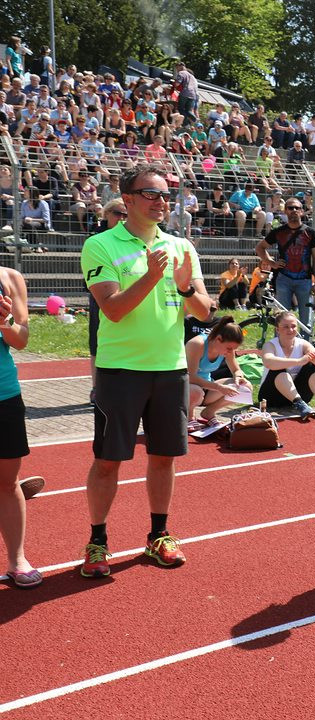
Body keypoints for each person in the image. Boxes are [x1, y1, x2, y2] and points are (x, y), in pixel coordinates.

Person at [79, 163, 212, 578]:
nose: (161, 201)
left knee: (163, 457)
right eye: (152, 194)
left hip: (170, 370)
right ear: (130, 199)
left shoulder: (182, 247)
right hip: (120, 371)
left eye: (166, 194)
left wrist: (186, 286)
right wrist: (154, 277)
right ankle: (97, 541)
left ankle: (159, 534)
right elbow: (113, 310)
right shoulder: (100, 245)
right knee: (107, 461)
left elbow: (205, 312)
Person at [0, 264, 40, 588]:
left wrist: (5, 321)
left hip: (4, 394)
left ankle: (17, 559)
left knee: (8, 481)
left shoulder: (10, 278)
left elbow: (22, 338)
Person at [255, 198, 315, 331]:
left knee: (306, 321)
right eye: (290, 208)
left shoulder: (310, 233)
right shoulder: (278, 232)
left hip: (304, 280)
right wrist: (271, 263)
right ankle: (280, 350)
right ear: (285, 211)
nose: (294, 210)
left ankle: (306, 349)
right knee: (281, 320)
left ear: (302, 211)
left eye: (297, 208)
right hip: (283, 280)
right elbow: (260, 248)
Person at [257, 311, 315, 419]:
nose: (290, 330)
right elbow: (269, 362)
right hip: (271, 396)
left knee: (313, 365)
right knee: (278, 368)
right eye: (286, 327)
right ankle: (299, 403)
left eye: (293, 326)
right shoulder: (270, 345)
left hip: (300, 394)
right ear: (277, 329)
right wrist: (299, 361)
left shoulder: (303, 344)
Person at [87, 199, 127, 404]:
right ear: (107, 214)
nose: (122, 219)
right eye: (118, 214)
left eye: (126, 215)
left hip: (127, 296)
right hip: (100, 298)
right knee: (97, 344)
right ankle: (96, 388)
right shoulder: (97, 239)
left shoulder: (132, 237)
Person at [185, 315, 250, 430]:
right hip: (187, 388)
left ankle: (209, 413)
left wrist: (238, 377)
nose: (230, 352)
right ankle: (189, 417)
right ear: (218, 339)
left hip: (207, 389)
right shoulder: (197, 344)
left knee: (246, 387)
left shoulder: (227, 348)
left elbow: (236, 370)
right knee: (196, 391)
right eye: (229, 348)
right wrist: (219, 387)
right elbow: (191, 377)